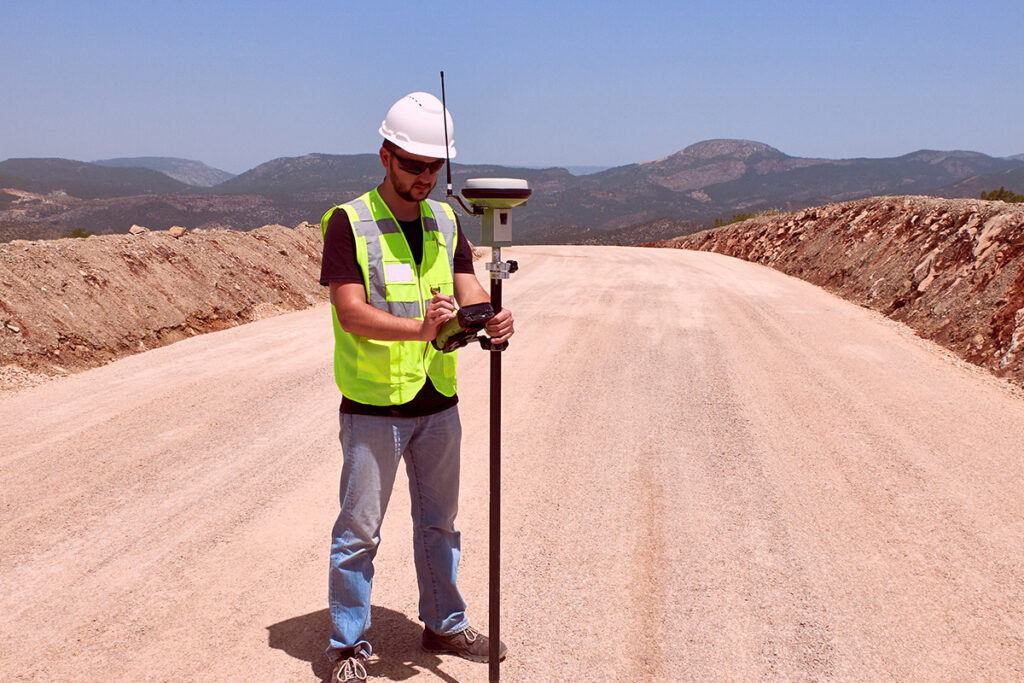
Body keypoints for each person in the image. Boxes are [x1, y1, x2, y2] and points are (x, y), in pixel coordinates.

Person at [319, 91, 512, 683]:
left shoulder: (448, 220)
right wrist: (419, 328)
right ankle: (348, 644)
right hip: (374, 405)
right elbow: (351, 312)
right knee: (359, 531)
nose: (424, 177)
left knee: (439, 523)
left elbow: (466, 285)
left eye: (434, 166)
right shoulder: (348, 222)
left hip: (438, 401)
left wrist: (488, 319)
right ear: (385, 156)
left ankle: (443, 624)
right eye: (412, 165)